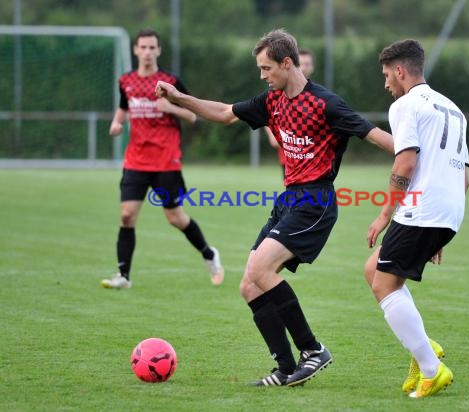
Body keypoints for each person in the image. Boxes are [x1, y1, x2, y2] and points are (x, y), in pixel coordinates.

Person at [156, 28, 393, 387]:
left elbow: (377, 137)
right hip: (289, 200)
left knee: (261, 268)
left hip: (315, 201)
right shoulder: (272, 102)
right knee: (249, 285)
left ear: (287, 63)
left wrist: (419, 157)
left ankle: (313, 350)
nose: (262, 76)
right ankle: (284, 368)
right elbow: (223, 114)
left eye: (266, 68)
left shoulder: (325, 104)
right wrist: (178, 97)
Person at [364, 39, 469, 398]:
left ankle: (430, 367)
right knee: (373, 269)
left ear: (400, 70)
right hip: (448, 210)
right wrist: (441, 231)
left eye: (386, 75)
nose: (385, 84)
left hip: (423, 209)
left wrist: (383, 215)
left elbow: (405, 161)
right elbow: (465, 177)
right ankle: (422, 348)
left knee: (382, 284)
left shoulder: (406, 105)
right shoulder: (453, 108)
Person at [101, 28, 224, 290]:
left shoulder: (169, 81)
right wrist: (116, 123)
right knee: (126, 215)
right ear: (135, 50)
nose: (147, 52)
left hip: (166, 160)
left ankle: (209, 254)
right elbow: (124, 106)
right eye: (142, 47)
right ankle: (123, 276)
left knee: (175, 218)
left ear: (159, 50)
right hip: (135, 160)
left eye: (151, 47)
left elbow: (192, 115)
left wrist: (170, 107)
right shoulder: (126, 80)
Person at [264, 48, 315, 178]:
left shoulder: (318, 96)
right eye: (300, 63)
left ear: (312, 67)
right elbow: (265, 112)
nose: (303, 68)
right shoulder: (279, 90)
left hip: (313, 157)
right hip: (289, 158)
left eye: (307, 64)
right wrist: (271, 134)